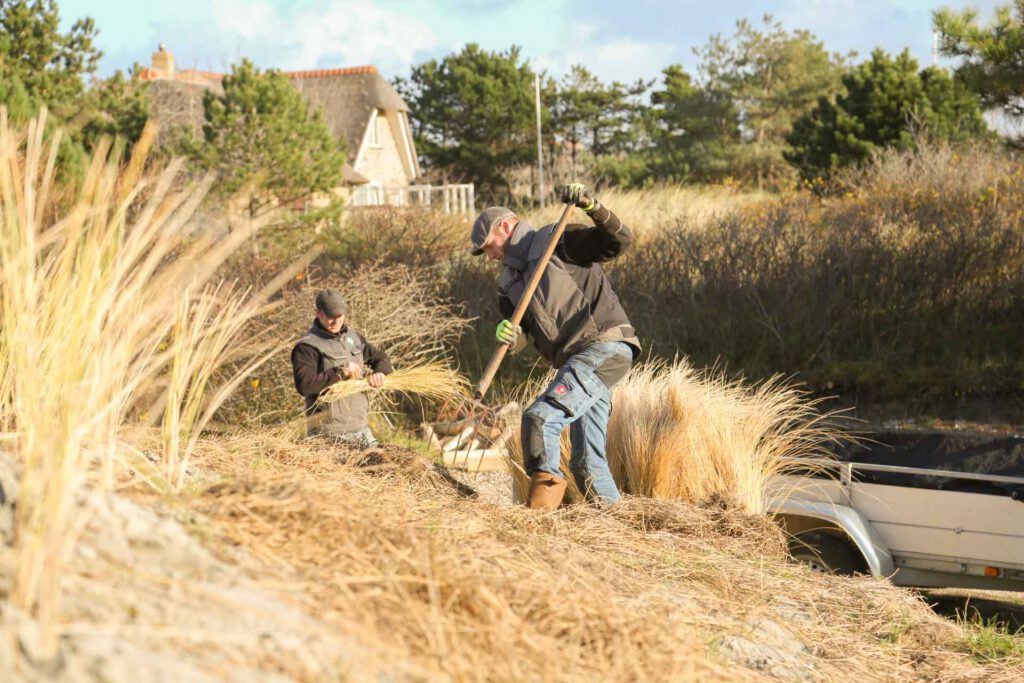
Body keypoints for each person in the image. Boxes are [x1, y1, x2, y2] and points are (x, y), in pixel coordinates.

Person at [470, 183, 640, 509]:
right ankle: (621, 530)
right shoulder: (508, 286)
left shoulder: (555, 241)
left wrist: (592, 206)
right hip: (576, 362)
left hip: (605, 346)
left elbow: (619, 241)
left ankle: (540, 526)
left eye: (488, 246)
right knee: (585, 462)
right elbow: (524, 336)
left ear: (505, 227)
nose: (489, 256)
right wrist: (511, 336)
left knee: (539, 418)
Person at [291, 288, 393, 447]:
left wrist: (379, 373)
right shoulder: (307, 347)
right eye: (330, 317)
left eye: (339, 316)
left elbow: (382, 359)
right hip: (327, 435)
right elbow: (305, 386)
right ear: (319, 313)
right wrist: (341, 372)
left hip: (361, 428)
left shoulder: (354, 337)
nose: (336, 321)